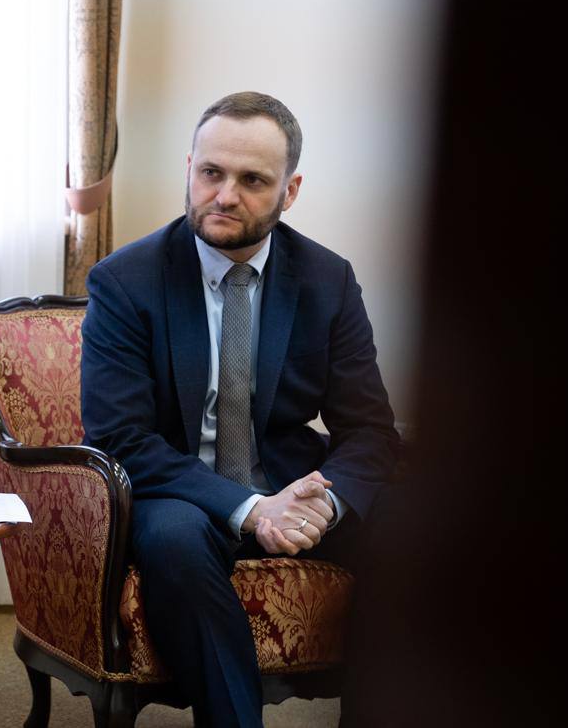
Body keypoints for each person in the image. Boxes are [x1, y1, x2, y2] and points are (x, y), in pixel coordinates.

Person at [80, 92, 400, 727]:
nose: (224, 196)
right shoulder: (125, 281)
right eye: (211, 173)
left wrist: (325, 504)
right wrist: (254, 510)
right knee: (175, 538)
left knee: (413, 523)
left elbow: (368, 429)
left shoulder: (327, 280)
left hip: (288, 480)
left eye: (252, 180)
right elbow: (120, 437)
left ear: (289, 191)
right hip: (179, 490)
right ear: (190, 168)